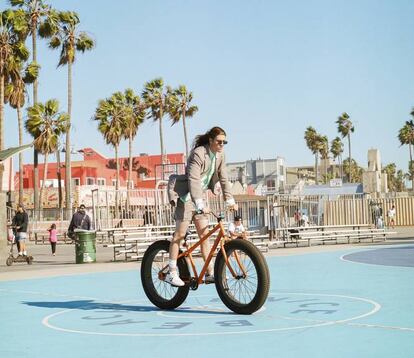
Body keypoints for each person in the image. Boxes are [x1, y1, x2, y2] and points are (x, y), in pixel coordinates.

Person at [166, 126, 237, 287]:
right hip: (186, 198)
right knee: (179, 235)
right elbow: (193, 180)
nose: (222, 145)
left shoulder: (220, 155)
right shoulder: (198, 153)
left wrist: (230, 200)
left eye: (224, 142)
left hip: (199, 199)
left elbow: (224, 178)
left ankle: (210, 272)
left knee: (205, 236)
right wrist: (199, 202)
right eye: (219, 141)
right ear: (211, 140)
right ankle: (171, 271)